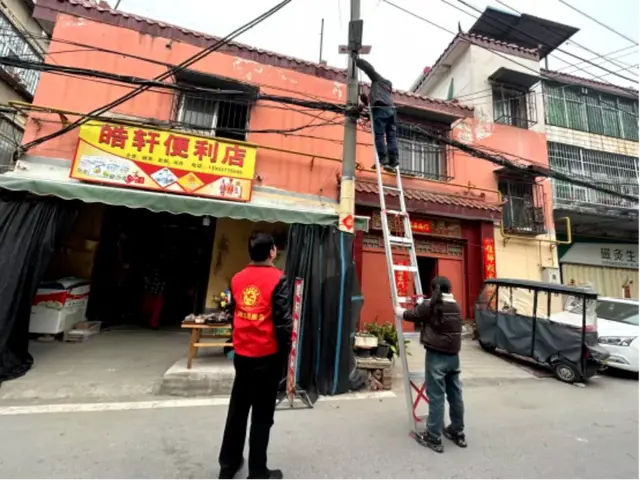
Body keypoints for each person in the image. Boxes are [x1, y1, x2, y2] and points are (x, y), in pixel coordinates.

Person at [218, 232, 292, 480]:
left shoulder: (238, 279)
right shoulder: (278, 279)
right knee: (262, 415)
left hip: (243, 355)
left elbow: (234, 314)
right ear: (272, 251)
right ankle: (258, 472)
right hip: (267, 357)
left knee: (237, 410)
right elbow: (283, 324)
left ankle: (228, 466)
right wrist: (284, 357)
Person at [394, 276, 466, 453]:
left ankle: (433, 437)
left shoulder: (432, 306)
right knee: (455, 394)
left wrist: (399, 311)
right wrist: (423, 303)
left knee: (436, 396)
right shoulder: (456, 306)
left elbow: (413, 315)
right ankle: (457, 431)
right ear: (449, 289)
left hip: (436, 356)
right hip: (454, 357)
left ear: (434, 289)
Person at [355, 57, 399, 170]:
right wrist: (364, 99)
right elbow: (369, 103)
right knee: (391, 136)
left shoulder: (378, 80)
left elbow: (370, 69)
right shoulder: (385, 92)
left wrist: (357, 61)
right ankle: (394, 159)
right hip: (392, 112)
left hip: (381, 111)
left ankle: (383, 158)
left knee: (379, 135)